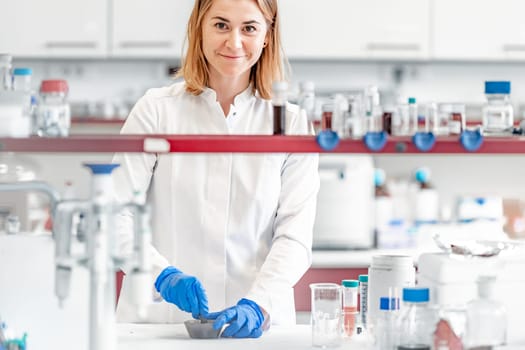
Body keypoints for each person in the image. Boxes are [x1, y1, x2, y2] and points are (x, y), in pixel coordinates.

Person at [113, 0, 319, 338]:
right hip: (160, 326)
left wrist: (259, 303)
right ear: (199, 28)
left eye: (249, 28)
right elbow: (113, 214)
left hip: (259, 327)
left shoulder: (290, 122)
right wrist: (160, 275)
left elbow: (295, 235)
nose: (234, 42)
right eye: (221, 25)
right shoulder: (156, 110)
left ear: (268, 35)